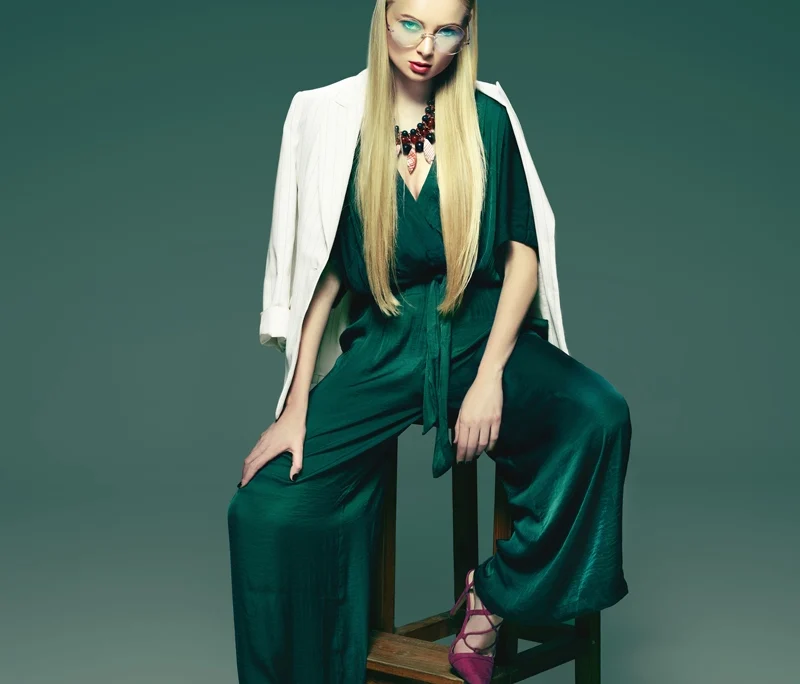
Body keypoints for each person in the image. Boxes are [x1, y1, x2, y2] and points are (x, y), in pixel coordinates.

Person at [227, 1, 633, 682]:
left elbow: (523, 256)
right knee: (266, 508)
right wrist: (295, 405)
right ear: (382, 16)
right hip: (386, 341)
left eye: (446, 30)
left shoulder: (487, 118)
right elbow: (324, 275)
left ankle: (495, 595)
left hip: (479, 332)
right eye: (410, 23)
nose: (425, 46)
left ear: (466, 34)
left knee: (599, 416)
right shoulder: (333, 120)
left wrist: (490, 378)